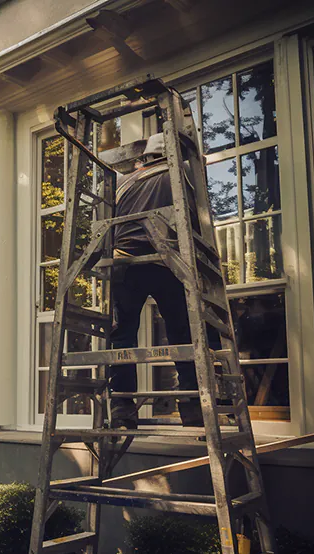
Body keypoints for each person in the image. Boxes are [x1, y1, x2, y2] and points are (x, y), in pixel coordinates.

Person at [107, 132, 216, 429]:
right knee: (182, 331)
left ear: (145, 158)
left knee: (122, 335)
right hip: (168, 260)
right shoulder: (180, 175)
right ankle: (192, 406)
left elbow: (107, 225)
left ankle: (122, 407)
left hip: (125, 261)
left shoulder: (122, 182)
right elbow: (196, 222)